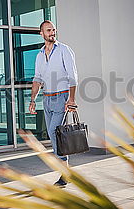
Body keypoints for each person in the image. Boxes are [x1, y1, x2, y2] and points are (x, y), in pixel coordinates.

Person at [29, 20, 78, 187]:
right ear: (41, 34)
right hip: (47, 98)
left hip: (62, 97)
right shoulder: (39, 55)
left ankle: (65, 172)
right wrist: (33, 99)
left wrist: (71, 99)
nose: (52, 33)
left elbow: (73, 76)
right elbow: (37, 78)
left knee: (54, 132)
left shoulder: (64, 50)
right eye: (48, 30)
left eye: (53, 30)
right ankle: (66, 170)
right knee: (53, 135)